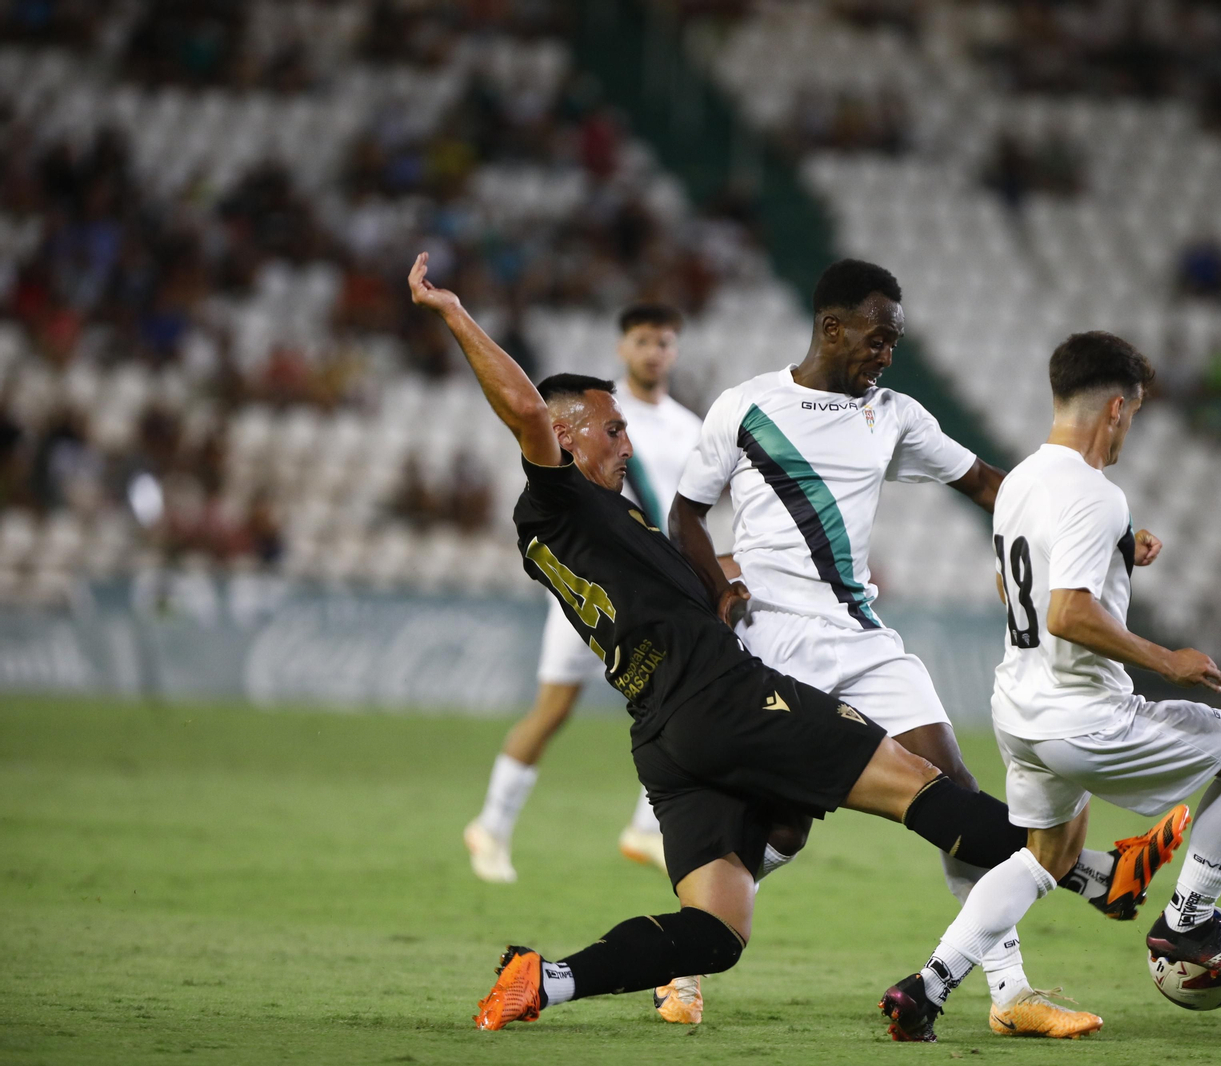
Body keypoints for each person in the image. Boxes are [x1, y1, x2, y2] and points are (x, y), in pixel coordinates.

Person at [405, 252, 1060, 1033]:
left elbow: (675, 566)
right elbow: (523, 408)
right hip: (725, 696)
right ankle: (1092, 873)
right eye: (612, 430)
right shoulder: (564, 501)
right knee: (923, 788)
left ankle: (547, 980)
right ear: (565, 435)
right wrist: (451, 311)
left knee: (717, 929)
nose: (626, 444)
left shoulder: (583, 529)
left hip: (661, 731)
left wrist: (723, 583)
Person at [669, 260, 1188, 1038]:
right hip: (774, 645)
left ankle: (1011, 994)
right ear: (832, 327)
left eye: (897, 341)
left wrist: (1106, 530)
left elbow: (993, 487)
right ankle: (680, 965)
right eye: (878, 337)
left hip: (864, 641)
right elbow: (684, 516)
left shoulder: (896, 415)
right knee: (778, 830)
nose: (887, 353)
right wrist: (719, 588)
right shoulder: (746, 408)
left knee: (953, 787)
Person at [879, 331, 1221, 1042]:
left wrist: (1122, 550)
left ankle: (928, 986)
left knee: (1046, 858)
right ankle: (1187, 925)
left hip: (1021, 708)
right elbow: (1067, 612)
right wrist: (1167, 659)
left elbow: (1015, 582)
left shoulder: (1021, 484)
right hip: (1087, 718)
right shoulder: (1097, 496)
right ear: (1119, 411)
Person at [465, 303, 708, 889]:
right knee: (554, 708)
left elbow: (690, 514)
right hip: (593, 591)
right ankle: (491, 826)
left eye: (665, 342)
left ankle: (646, 825)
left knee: (683, 695)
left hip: (652, 590)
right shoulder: (591, 411)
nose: (655, 352)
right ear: (623, 348)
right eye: (644, 340)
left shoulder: (690, 427)